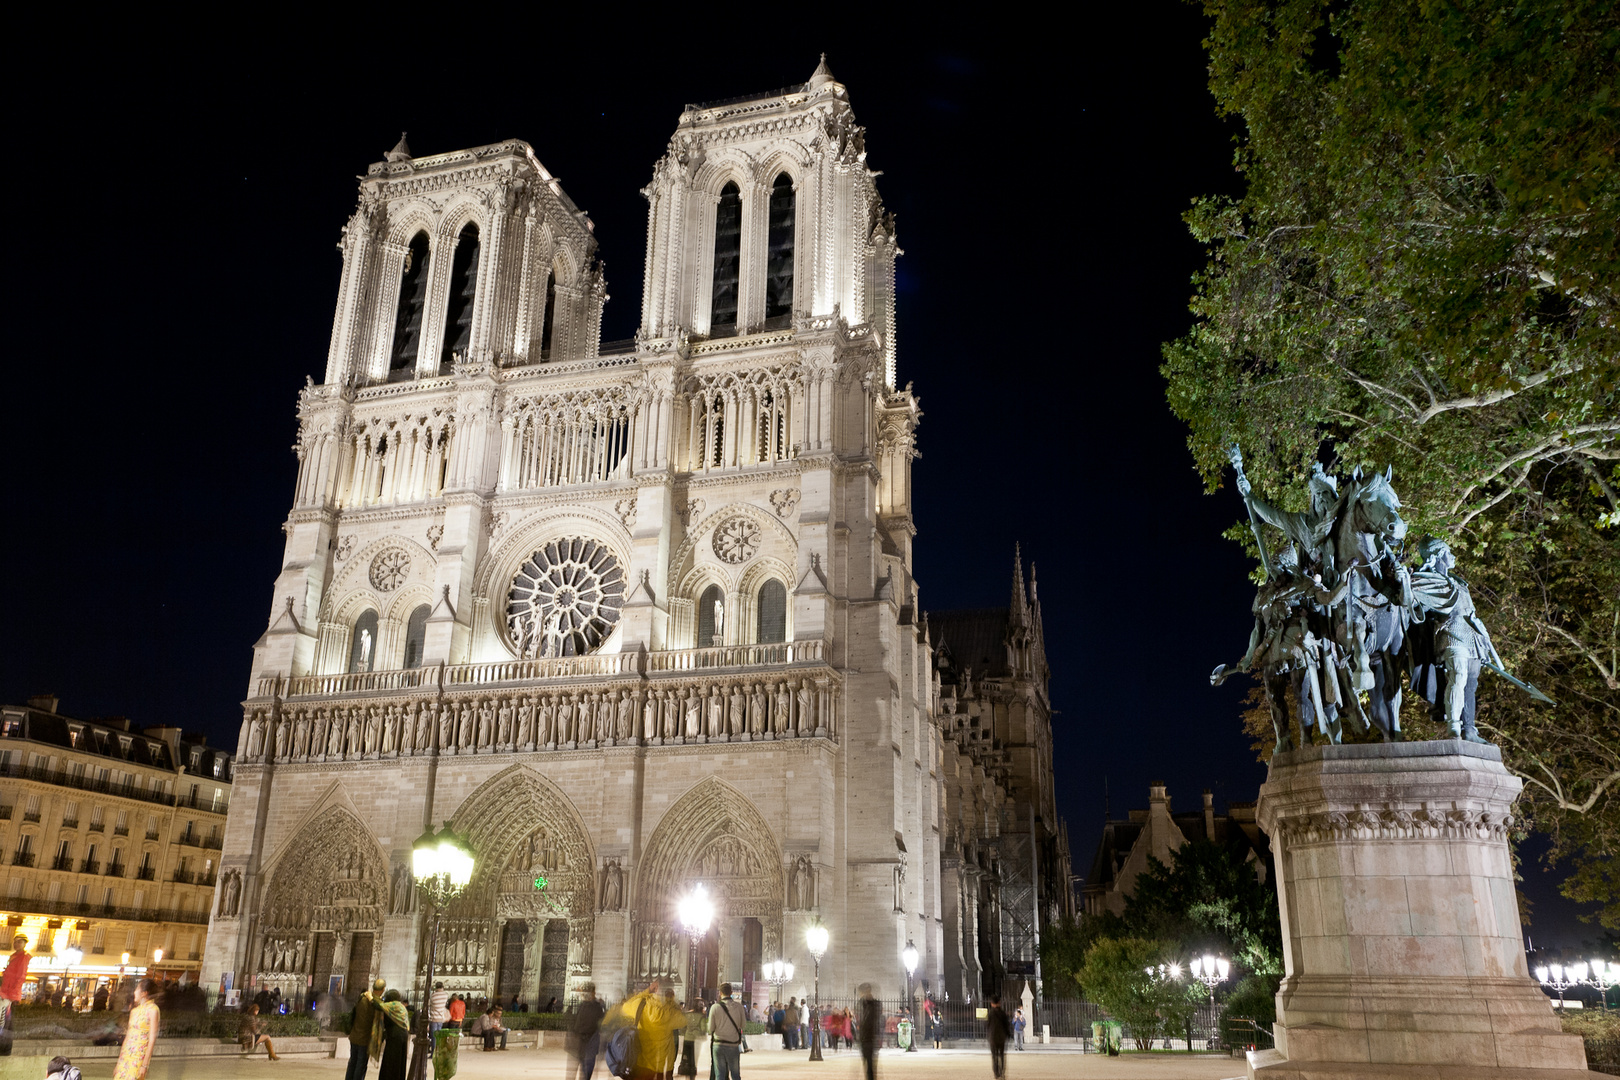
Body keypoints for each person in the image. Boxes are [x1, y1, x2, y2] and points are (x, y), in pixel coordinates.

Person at [607, 978, 684, 1080]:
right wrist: (671, 1000)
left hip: (642, 1063)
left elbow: (625, 1006)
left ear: (655, 988)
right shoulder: (671, 1012)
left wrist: (647, 991)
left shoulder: (641, 1005)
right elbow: (682, 1021)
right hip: (663, 1067)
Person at [113, 977, 160, 1080]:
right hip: (126, 1054)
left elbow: (152, 1039)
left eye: (137, 989)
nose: (134, 992)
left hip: (139, 1055)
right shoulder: (134, 1011)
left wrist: (145, 1064)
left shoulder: (153, 1010)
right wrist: (119, 1061)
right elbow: (128, 1035)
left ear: (144, 993)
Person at [347, 977, 386, 1080]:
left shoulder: (362, 998)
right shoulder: (376, 1003)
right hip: (365, 1039)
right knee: (361, 1065)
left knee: (352, 1062)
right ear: (383, 989)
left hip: (354, 1035)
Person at [567, 981, 606, 1080]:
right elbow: (601, 1023)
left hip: (581, 1045)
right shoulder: (594, 1006)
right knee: (584, 1073)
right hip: (587, 1045)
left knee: (579, 1073)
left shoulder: (584, 1005)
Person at [707, 983, 746, 1080]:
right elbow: (743, 1025)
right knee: (735, 1075)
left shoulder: (715, 1007)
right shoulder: (739, 1007)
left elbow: (710, 1028)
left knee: (719, 1075)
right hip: (733, 1045)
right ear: (731, 993)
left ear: (720, 993)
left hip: (719, 1044)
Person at [377, 989, 411, 1080]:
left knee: (391, 1061)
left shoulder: (394, 1005)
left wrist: (370, 996)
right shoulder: (401, 1006)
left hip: (395, 1036)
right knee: (399, 1061)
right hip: (402, 1035)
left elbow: (377, 1005)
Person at [0, 936, 31, 1032]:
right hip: (5, 989)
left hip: (9, 991)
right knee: (3, 1011)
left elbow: (21, 975)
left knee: (1, 1008)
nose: (16, 944)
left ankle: (1, 1031)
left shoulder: (23, 957)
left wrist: (14, 992)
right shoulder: (14, 956)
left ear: (24, 944)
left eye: (19, 942)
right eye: (15, 942)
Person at [857, 985, 882, 1080]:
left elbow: (873, 1017)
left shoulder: (874, 1004)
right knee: (867, 1063)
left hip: (871, 1038)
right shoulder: (863, 1004)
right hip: (864, 1038)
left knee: (870, 1063)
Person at [986, 994, 1012, 1079]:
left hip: (993, 1038)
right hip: (1001, 1038)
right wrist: (1008, 1035)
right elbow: (1006, 1025)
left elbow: (987, 1025)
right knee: (1001, 1056)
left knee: (994, 1057)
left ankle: (996, 1073)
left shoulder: (990, 1013)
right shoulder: (1003, 1013)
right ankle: (1002, 1073)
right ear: (999, 1003)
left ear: (992, 1003)